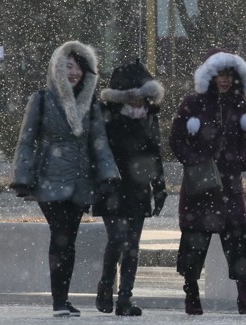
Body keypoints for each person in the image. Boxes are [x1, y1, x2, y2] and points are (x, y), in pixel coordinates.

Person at [10, 41, 120, 317]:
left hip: (80, 183)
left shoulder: (90, 103)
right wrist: (22, 176)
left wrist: (108, 175)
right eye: (68, 66)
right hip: (49, 179)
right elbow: (27, 140)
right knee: (60, 236)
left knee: (68, 240)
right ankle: (59, 302)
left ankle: (63, 300)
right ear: (57, 68)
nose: (74, 73)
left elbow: (99, 142)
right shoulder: (42, 99)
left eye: (79, 67)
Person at [169, 48, 246, 315]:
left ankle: (244, 291)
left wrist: (241, 161)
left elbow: (243, 140)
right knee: (194, 239)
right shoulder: (192, 102)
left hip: (229, 183)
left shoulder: (238, 104)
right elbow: (176, 140)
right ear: (209, 76)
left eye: (228, 75)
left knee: (237, 234)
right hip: (200, 183)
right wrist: (195, 160)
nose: (224, 80)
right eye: (219, 75)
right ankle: (191, 293)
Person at [92, 59, 167, 316]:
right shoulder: (106, 116)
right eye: (132, 96)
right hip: (112, 186)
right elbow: (97, 151)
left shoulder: (149, 118)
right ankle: (105, 287)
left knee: (132, 245)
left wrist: (160, 187)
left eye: (143, 96)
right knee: (117, 239)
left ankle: (125, 298)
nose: (137, 102)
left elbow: (154, 154)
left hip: (138, 187)